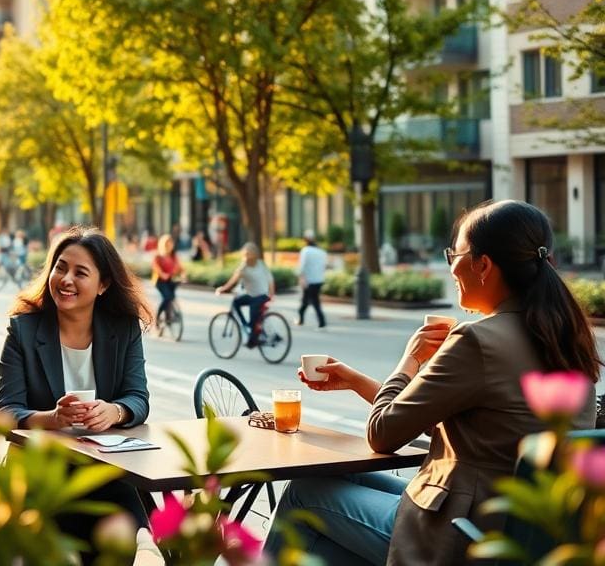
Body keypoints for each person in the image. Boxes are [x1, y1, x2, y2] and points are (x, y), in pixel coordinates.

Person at [264, 200, 601, 565]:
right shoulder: (565, 337)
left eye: (454, 253)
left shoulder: (477, 341)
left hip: (458, 537)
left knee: (305, 493)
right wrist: (358, 382)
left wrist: (410, 359)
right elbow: (437, 417)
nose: (451, 265)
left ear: (483, 265)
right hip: (521, 531)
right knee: (348, 483)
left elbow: (384, 432)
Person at [0, 226, 152, 562]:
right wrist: (52, 418)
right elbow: (6, 411)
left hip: (105, 466)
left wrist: (116, 411)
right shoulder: (23, 330)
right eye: (60, 267)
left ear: (103, 285)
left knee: (126, 528)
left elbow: (137, 397)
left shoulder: (123, 329)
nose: (65, 279)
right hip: (41, 469)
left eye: (80, 272)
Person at [214, 242, 275, 348]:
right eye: (246, 254)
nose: (246, 256)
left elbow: (270, 281)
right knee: (237, 302)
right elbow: (234, 280)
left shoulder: (252, 265)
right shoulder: (252, 265)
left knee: (252, 315)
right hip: (256, 296)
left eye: (248, 254)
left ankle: (253, 335)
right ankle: (250, 329)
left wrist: (223, 289)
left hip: (259, 297)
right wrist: (271, 295)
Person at [296, 229, 328, 328]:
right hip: (319, 280)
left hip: (309, 281)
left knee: (312, 301)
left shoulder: (305, 251)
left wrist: (301, 278)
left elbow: (301, 267)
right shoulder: (321, 251)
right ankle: (302, 318)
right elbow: (324, 266)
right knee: (308, 301)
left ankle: (321, 321)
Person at [151, 234, 186, 324]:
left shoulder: (174, 256)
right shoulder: (158, 256)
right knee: (167, 298)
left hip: (170, 280)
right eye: (167, 244)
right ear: (163, 245)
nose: (169, 246)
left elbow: (181, 268)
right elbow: (156, 267)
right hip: (160, 281)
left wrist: (183, 276)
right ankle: (158, 317)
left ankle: (168, 316)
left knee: (171, 298)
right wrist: (163, 274)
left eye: (171, 244)